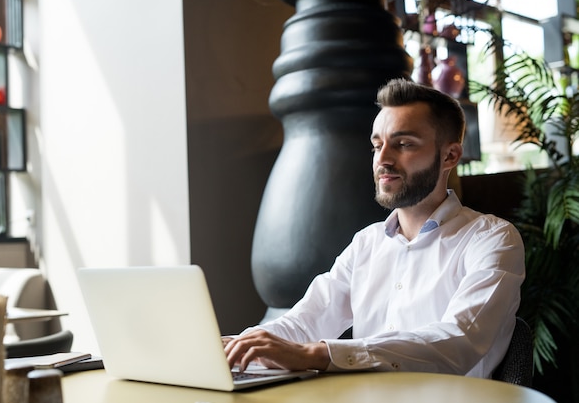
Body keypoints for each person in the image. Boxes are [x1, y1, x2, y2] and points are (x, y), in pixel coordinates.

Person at [224, 78, 525, 378]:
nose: (383, 159)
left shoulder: (492, 239)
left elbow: (458, 341)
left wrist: (315, 354)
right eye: (377, 145)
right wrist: (239, 346)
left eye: (404, 144)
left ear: (450, 156)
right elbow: (305, 321)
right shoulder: (366, 244)